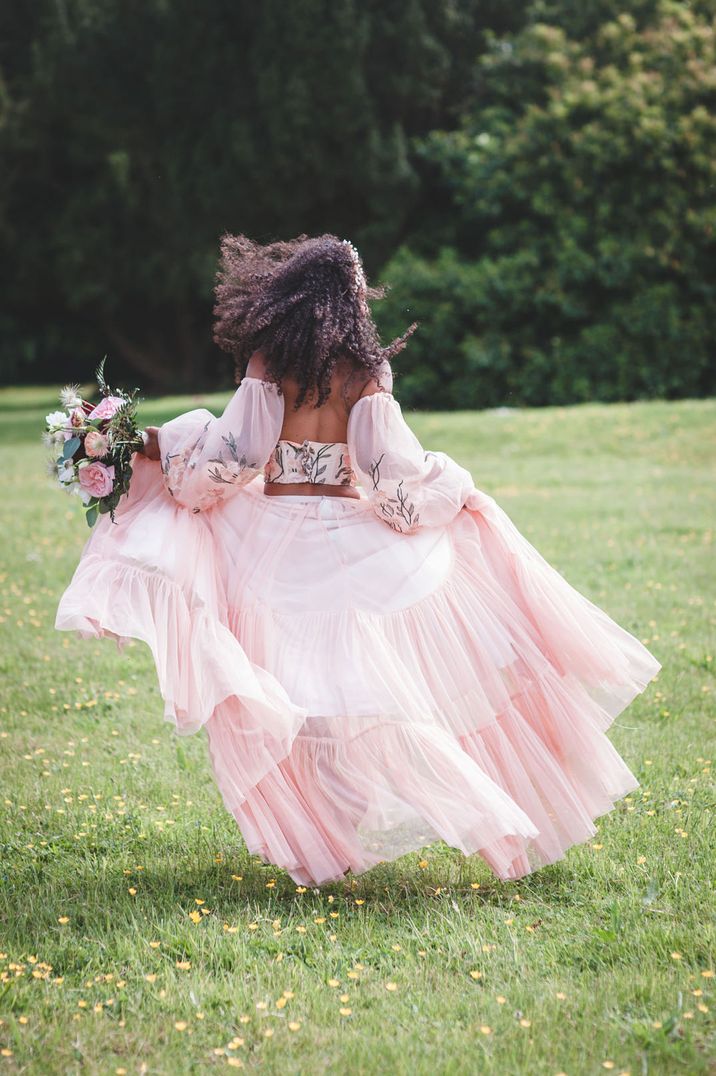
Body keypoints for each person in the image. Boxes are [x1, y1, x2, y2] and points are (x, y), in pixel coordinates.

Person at [55, 232, 662, 887]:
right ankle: (340, 836)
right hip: (346, 534)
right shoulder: (366, 372)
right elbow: (388, 468)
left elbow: (235, 454)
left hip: (273, 536)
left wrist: (155, 446)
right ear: (350, 302)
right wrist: (442, 489)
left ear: (289, 297)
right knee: (345, 689)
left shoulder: (269, 363)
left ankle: (323, 842)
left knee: (297, 690)